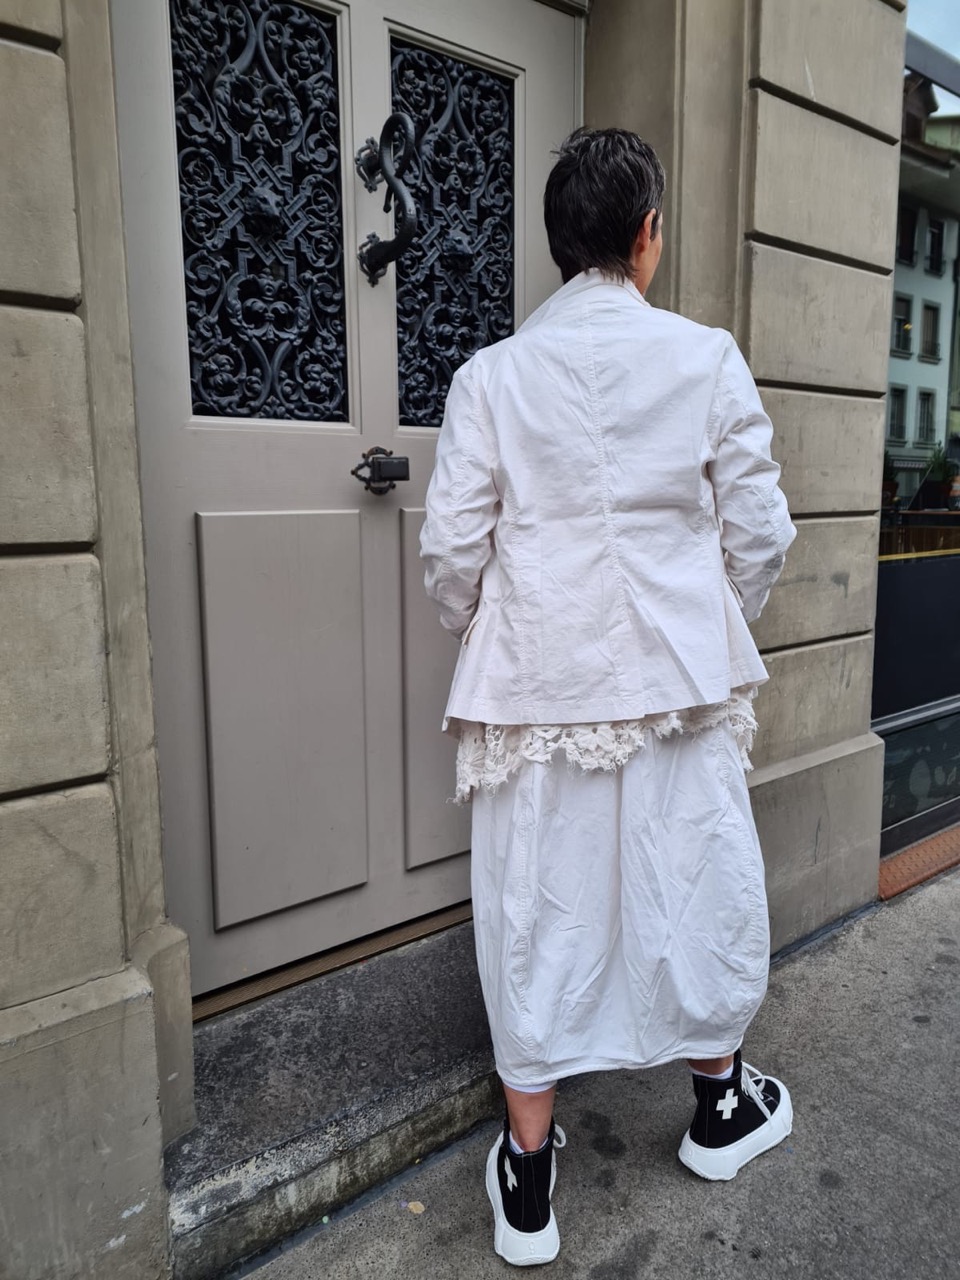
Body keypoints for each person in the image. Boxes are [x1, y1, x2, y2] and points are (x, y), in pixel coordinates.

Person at [420, 127, 796, 1268]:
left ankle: (530, 1179)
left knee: (538, 907)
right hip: (677, 677)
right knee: (695, 876)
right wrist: (706, 617)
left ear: (558, 243)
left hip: (537, 683)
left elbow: (450, 554)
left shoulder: (491, 378)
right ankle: (719, 1107)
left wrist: (498, 627)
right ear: (646, 236)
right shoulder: (706, 358)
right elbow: (761, 532)